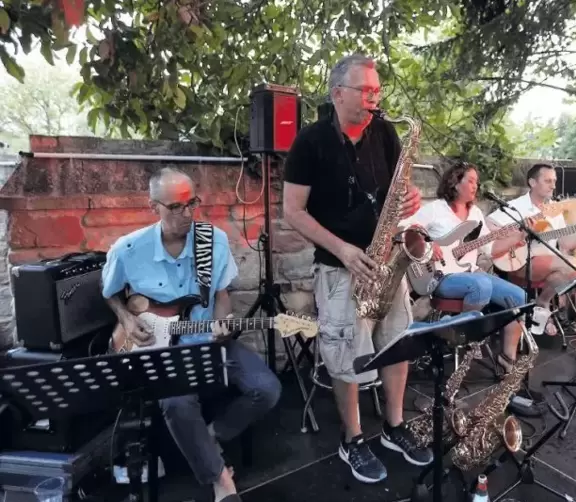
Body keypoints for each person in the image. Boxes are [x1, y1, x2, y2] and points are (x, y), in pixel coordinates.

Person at [283, 54, 432, 484]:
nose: (374, 98)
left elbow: (399, 190)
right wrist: (344, 250)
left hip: (388, 261)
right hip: (340, 266)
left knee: (396, 343)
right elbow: (293, 212)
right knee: (345, 355)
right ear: (337, 94)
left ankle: (395, 426)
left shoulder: (384, 132)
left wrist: (411, 201)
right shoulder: (309, 142)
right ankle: (353, 439)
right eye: (365, 90)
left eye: (377, 90)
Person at [101, 168, 282, 502]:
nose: (187, 214)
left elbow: (222, 293)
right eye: (175, 207)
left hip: (205, 341)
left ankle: (211, 438)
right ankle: (220, 481)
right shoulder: (128, 249)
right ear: (153, 206)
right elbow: (110, 293)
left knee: (267, 389)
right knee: (176, 401)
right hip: (159, 350)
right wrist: (126, 320)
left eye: (192, 203)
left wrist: (222, 324)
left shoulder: (212, 241)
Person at [399, 161, 528, 373]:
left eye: (476, 181)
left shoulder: (476, 214)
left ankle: (508, 357)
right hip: (440, 276)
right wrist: (428, 244)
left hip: (470, 273)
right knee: (481, 285)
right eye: (470, 180)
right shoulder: (436, 209)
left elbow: (491, 249)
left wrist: (517, 237)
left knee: (519, 297)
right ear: (455, 183)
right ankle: (465, 338)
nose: (475, 185)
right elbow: (406, 228)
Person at [487, 163, 576, 359]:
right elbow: (489, 224)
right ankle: (544, 301)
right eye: (548, 181)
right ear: (532, 182)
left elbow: (564, 244)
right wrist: (517, 235)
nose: (553, 186)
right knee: (569, 264)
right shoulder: (517, 207)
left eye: (554, 181)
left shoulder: (554, 210)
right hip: (521, 262)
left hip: (551, 264)